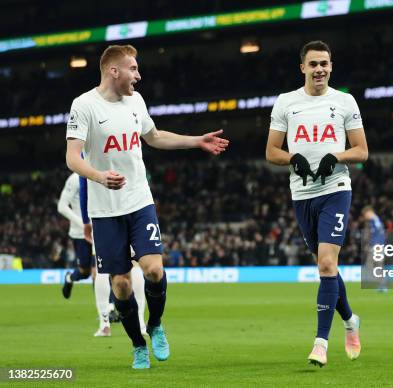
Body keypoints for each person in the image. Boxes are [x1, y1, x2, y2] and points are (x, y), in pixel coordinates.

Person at [65, 44, 229, 369]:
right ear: (114, 71)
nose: (138, 75)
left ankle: (155, 325)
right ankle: (138, 343)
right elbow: (72, 157)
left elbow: (153, 137)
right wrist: (99, 176)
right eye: (133, 69)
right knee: (122, 285)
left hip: (139, 201)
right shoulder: (84, 106)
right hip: (105, 211)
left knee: (154, 269)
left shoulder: (136, 101)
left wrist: (195, 141)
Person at [265, 40, 368, 367]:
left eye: (324, 63)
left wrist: (335, 156)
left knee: (326, 263)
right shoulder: (286, 102)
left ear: (331, 66)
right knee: (327, 267)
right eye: (313, 64)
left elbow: (361, 150)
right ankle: (351, 320)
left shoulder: (344, 101)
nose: (319, 69)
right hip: (302, 194)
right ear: (303, 68)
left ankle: (321, 343)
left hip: (336, 188)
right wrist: (292, 158)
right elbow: (271, 152)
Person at [79, 175, 147, 338]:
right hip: (132, 208)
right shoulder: (128, 148)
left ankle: (104, 324)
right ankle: (141, 322)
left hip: (103, 213)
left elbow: (84, 186)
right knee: (134, 264)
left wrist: (85, 220)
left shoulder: (88, 150)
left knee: (102, 269)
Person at [361, 206, 387, 291]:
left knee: (372, 265)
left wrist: (372, 245)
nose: (365, 217)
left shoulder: (375, 221)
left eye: (365, 214)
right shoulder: (375, 221)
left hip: (377, 247)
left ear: (369, 212)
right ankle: (381, 285)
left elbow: (378, 235)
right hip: (378, 246)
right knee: (376, 266)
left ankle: (381, 284)